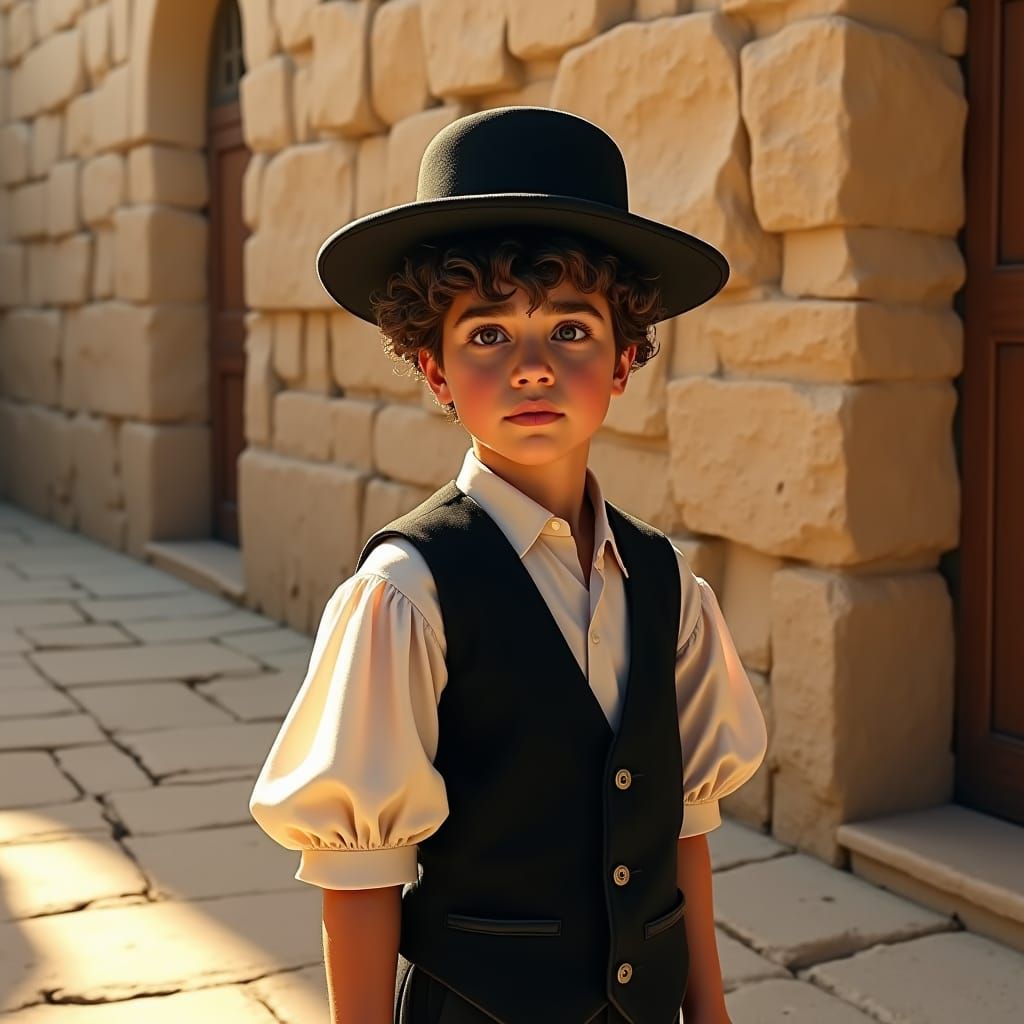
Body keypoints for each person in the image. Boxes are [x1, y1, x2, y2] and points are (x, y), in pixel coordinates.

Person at [249, 106, 768, 1024]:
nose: (532, 367)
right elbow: (361, 875)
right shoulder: (406, 593)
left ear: (624, 359)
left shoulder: (666, 583)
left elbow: (679, 827)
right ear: (436, 369)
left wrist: (712, 1015)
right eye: (488, 334)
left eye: (570, 330)